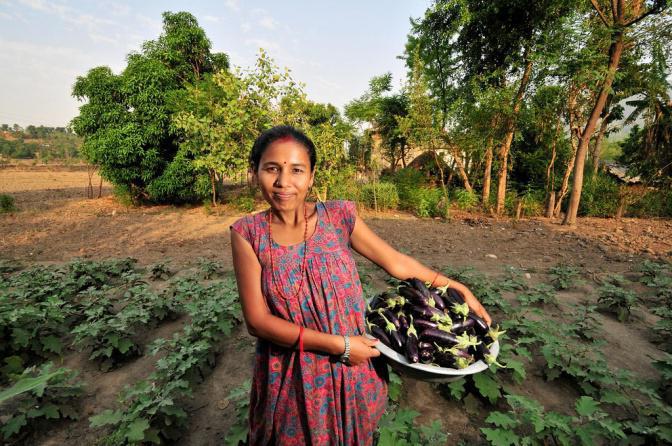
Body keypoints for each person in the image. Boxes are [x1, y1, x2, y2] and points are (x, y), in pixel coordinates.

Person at [230, 125, 492, 445]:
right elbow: (258, 322)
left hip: (352, 370)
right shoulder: (248, 233)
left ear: (311, 176)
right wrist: (340, 345)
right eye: (272, 168)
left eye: (297, 170)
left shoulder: (339, 215)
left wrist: (455, 285)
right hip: (296, 375)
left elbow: (397, 263)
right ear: (255, 171)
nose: (284, 182)